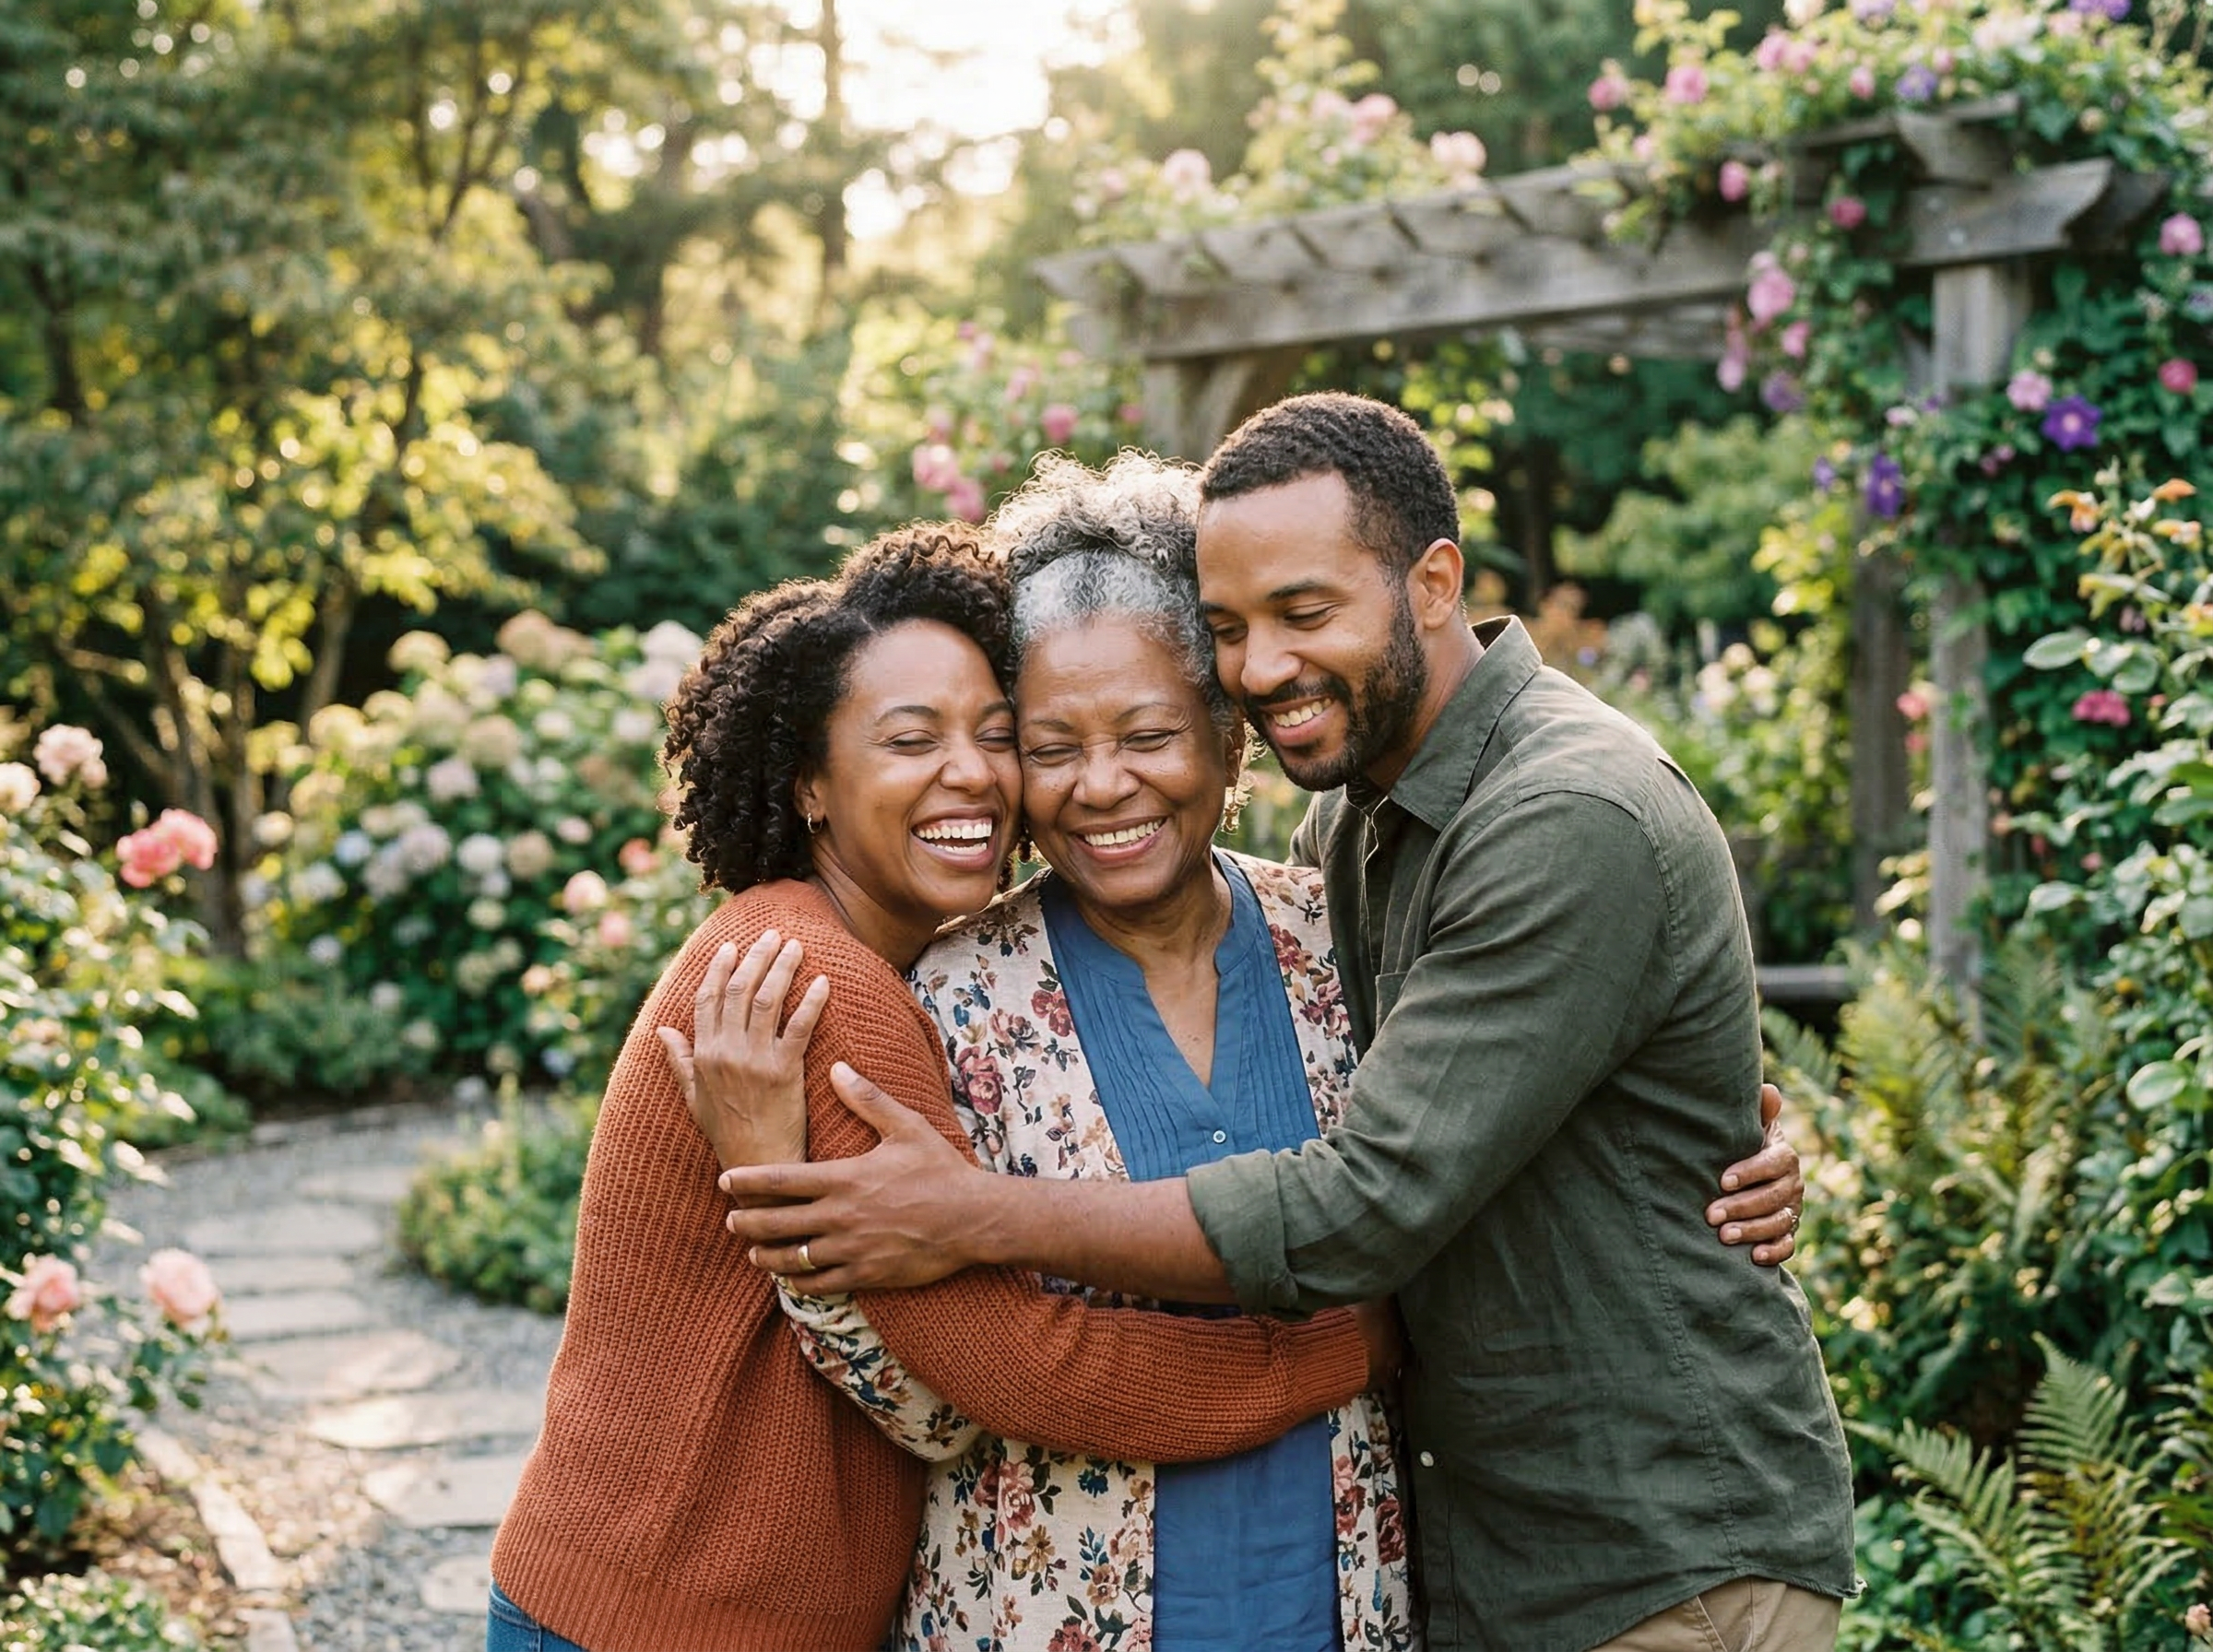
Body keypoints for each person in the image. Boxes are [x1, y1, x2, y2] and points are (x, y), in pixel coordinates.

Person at [712, 398, 1861, 1652]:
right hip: (1080, 1609)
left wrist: (1715, 1133)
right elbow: (923, 1381)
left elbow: (1371, 1199)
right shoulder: (975, 986)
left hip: (1595, 1558)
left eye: (1153, 732)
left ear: (1221, 742)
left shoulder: (1438, 875)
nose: (1106, 784)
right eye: (1053, 747)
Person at [486, 525, 1400, 1652]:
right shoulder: (825, 987)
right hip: (664, 1610)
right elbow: (1010, 1370)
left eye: (993, 735)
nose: (973, 772)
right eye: (913, 739)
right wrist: (1350, 1347)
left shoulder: (1328, 932)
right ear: (812, 787)